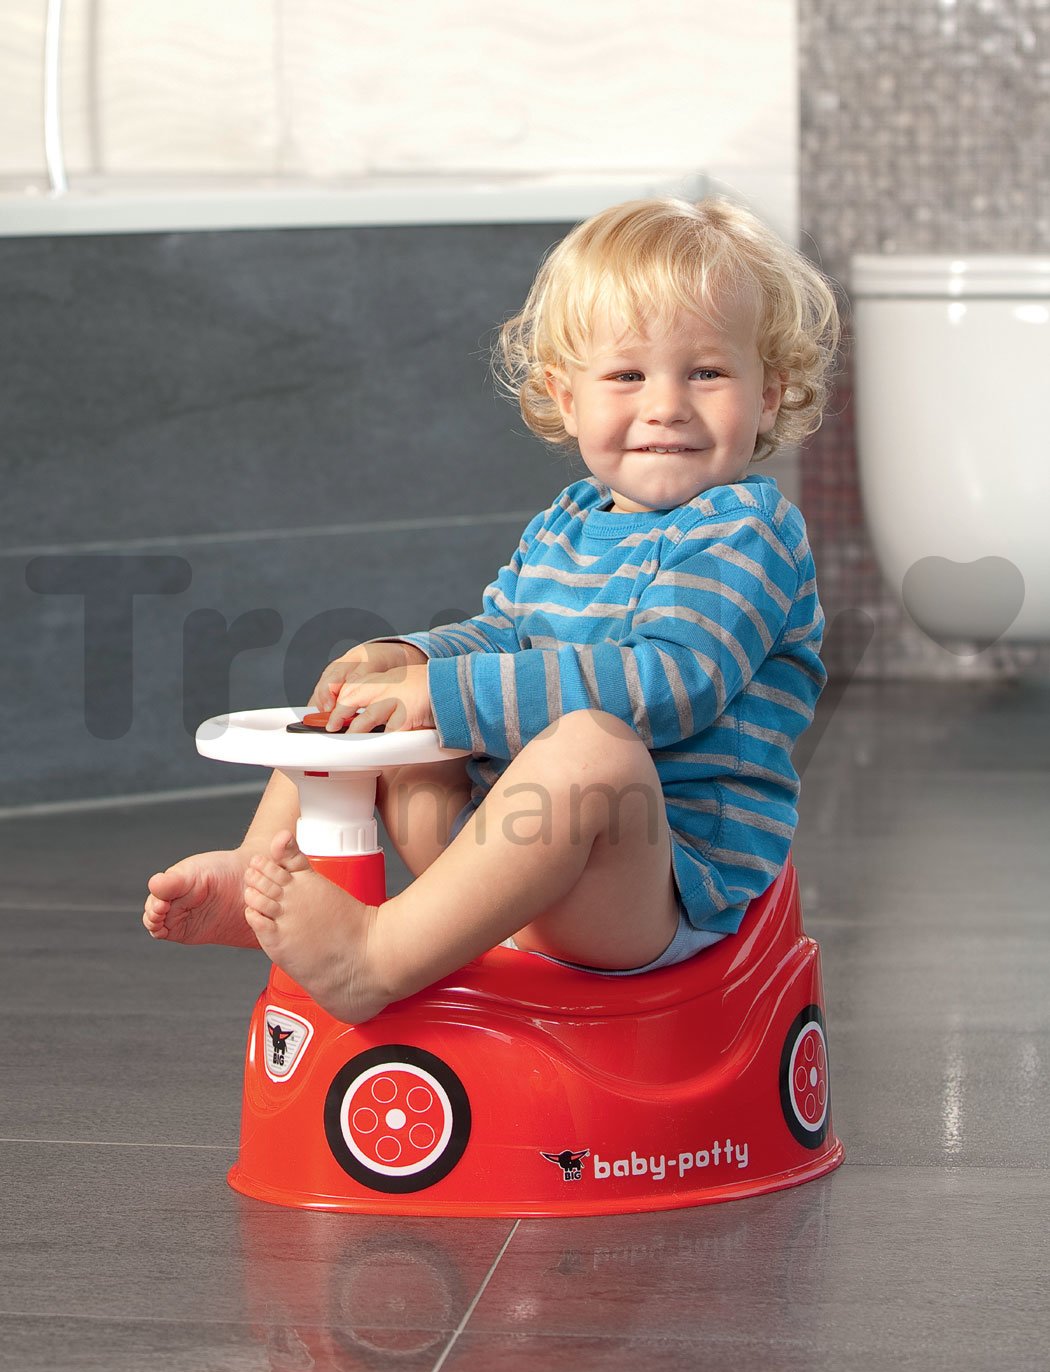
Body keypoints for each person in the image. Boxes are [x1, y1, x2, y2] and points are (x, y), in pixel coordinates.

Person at [142, 195, 840, 1025]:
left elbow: (670, 681)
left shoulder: (745, 531)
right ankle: (258, 861)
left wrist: (445, 693)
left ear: (769, 395)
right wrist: (414, 660)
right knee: (377, 687)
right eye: (627, 375)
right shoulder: (567, 523)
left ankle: (376, 957)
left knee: (591, 747)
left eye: (707, 373)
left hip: (657, 889)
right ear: (567, 397)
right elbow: (504, 634)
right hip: (512, 857)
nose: (666, 405)